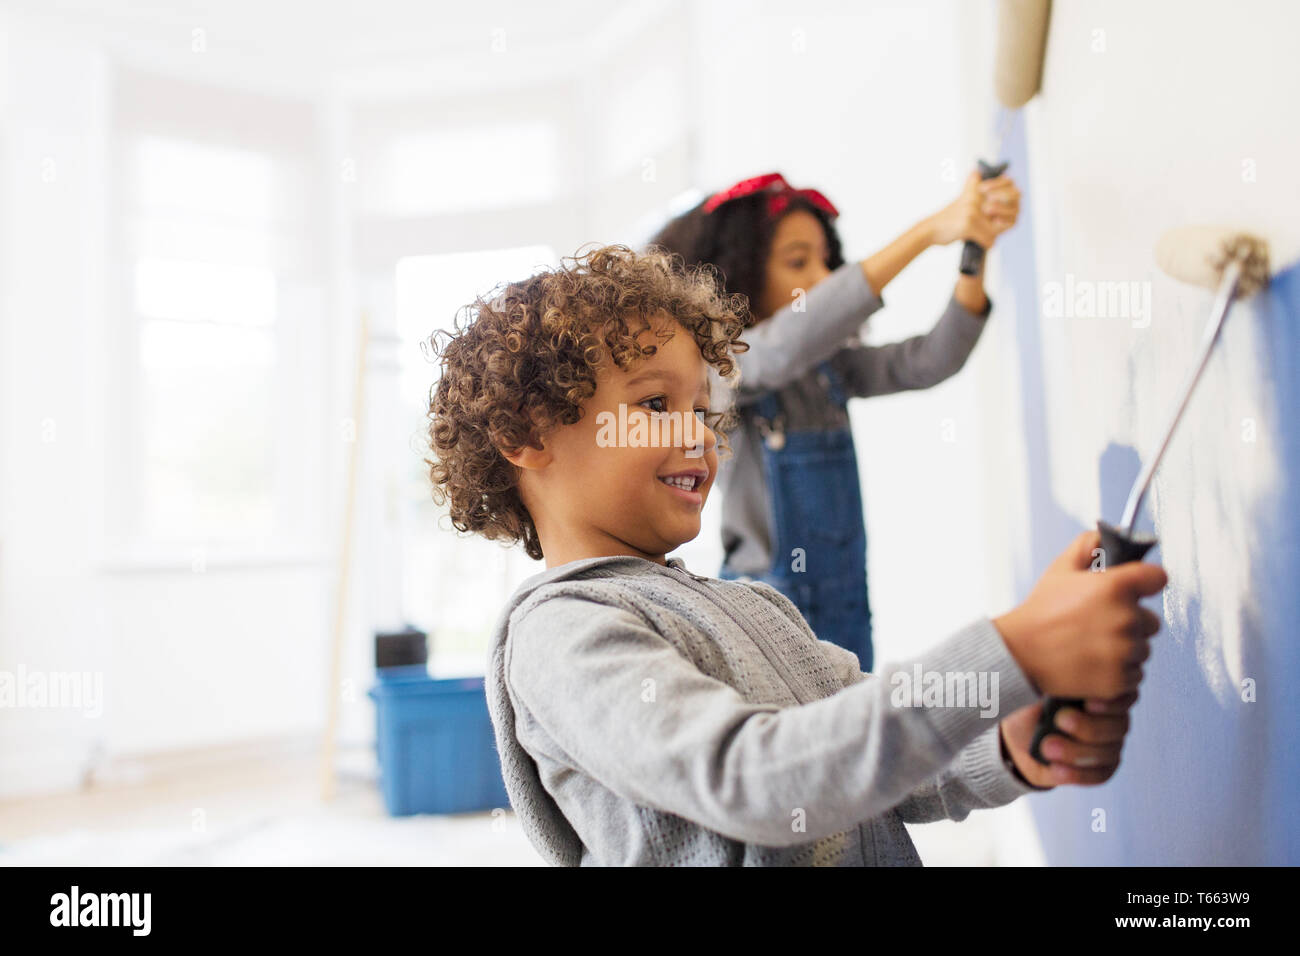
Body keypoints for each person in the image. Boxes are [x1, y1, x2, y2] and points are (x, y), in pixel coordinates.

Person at [425, 244, 1165, 867]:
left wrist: (1004, 746)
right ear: (527, 435)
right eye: (656, 406)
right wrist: (1013, 647)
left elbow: (864, 761)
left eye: (705, 411)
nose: (703, 437)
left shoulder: (758, 606)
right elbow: (758, 778)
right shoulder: (562, 635)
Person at [648, 170, 1020, 671]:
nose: (822, 279)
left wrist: (972, 255)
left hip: (846, 602)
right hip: (765, 609)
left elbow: (930, 360)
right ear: (741, 275)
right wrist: (928, 232)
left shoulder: (830, 369)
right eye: (799, 262)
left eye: (827, 261)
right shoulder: (724, 373)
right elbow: (787, 343)